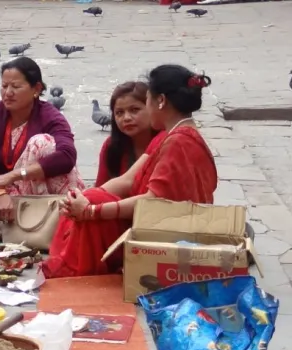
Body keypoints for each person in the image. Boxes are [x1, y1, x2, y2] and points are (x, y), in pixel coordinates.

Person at [43, 66, 217, 278]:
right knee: (92, 196)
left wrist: (91, 211)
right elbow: (128, 180)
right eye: (119, 113)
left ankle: (72, 269)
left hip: (171, 234)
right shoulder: (172, 136)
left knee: (93, 204)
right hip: (163, 226)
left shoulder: (178, 141)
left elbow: (154, 201)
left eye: (144, 103)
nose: (127, 117)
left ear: (160, 101)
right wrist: (81, 200)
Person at [0, 57, 83, 225]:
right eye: (4, 86)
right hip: (6, 192)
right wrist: (0, 193)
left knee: (41, 143)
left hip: (45, 192)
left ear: (36, 89)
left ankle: (56, 219)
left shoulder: (49, 117)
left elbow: (67, 156)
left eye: (15, 86)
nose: (8, 93)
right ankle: (41, 224)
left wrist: (15, 175)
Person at [96, 80, 155, 186]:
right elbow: (100, 187)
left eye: (134, 110)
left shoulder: (167, 142)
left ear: (151, 108)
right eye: (119, 113)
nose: (126, 118)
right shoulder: (111, 146)